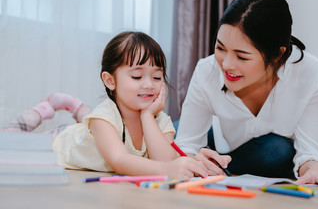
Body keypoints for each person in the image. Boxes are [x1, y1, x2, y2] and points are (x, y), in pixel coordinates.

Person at [174, 0, 318, 189]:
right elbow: (188, 142)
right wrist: (192, 158)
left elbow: (309, 152)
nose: (226, 64)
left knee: (278, 152)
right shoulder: (207, 70)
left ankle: (223, 168)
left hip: (264, 151)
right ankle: (216, 165)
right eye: (220, 48)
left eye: (242, 56)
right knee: (170, 136)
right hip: (214, 139)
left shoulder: (311, 74)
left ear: (277, 54)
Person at [1, 31, 207, 180]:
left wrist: (146, 117)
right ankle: (42, 110)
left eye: (156, 76)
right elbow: (120, 160)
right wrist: (167, 170)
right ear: (110, 81)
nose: (149, 84)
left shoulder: (160, 119)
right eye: (137, 76)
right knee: (8, 140)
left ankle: (76, 107)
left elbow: (165, 159)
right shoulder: (104, 116)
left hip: (94, 131)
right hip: (58, 142)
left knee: (98, 124)